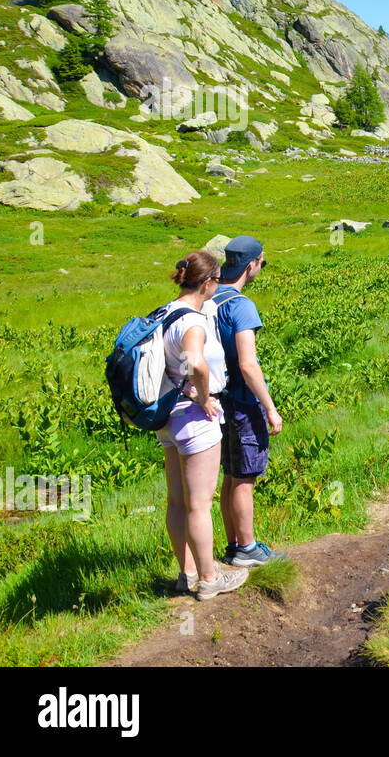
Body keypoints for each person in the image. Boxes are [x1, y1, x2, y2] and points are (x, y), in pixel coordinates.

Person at [157, 250, 248, 600]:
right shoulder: (192, 321)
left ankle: (187, 573)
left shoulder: (166, 312)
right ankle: (210, 579)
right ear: (208, 282)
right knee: (200, 504)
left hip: (168, 420)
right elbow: (196, 363)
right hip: (194, 419)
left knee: (177, 502)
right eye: (216, 280)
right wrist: (204, 396)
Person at [212, 235, 285, 568]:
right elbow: (248, 363)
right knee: (245, 478)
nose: (261, 268)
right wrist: (269, 407)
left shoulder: (209, 299)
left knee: (230, 475)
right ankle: (247, 548)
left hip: (215, 402)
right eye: (262, 263)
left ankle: (233, 545)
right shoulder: (241, 305)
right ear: (252, 265)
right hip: (241, 401)